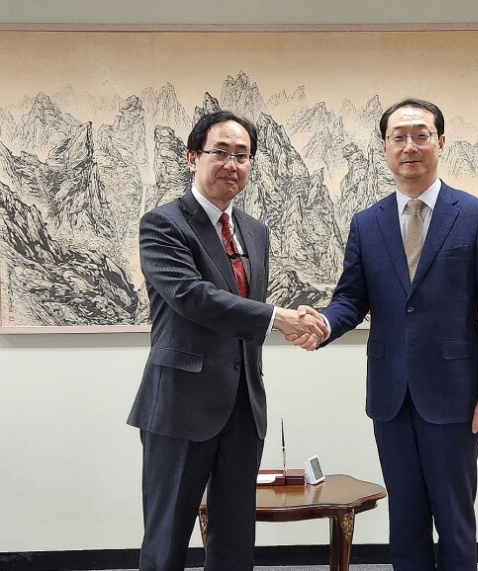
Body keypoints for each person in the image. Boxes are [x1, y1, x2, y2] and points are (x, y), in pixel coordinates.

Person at [290, 98, 478, 571]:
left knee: (454, 520)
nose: (409, 146)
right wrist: (325, 323)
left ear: (441, 142)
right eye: (398, 137)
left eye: (420, 134)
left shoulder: (477, 216)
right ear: (385, 148)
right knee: (405, 520)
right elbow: (353, 298)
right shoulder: (366, 223)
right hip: (391, 397)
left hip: (455, 396)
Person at [127, 111, 326, 571]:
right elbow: (191, 297)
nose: (231, 164)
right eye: (220, 152)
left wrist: (286, 325)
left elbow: (242, 317)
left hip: (243, 405)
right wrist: (279, 317)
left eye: (242, 155)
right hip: (179, 403)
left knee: (236, 534)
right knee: (167, 536)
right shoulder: (163, 224)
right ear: (193, 157)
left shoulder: (256, 232)